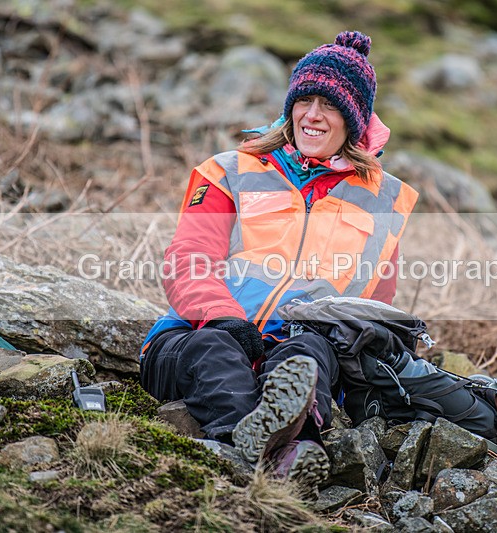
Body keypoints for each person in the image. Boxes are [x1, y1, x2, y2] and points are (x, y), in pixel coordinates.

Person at [140, 30, 418, 488]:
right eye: (303, 100)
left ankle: (275, 445)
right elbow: (189, 258)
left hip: (298, 342)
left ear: (354, 120)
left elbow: (373, 305)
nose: (312, 115)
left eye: (329, 105)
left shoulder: (383, 200)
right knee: (216, 351)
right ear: (289, 107)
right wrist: (223, 318)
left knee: (307, 358)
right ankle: (269, 454)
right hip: (198, 336)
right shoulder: (230, 169)